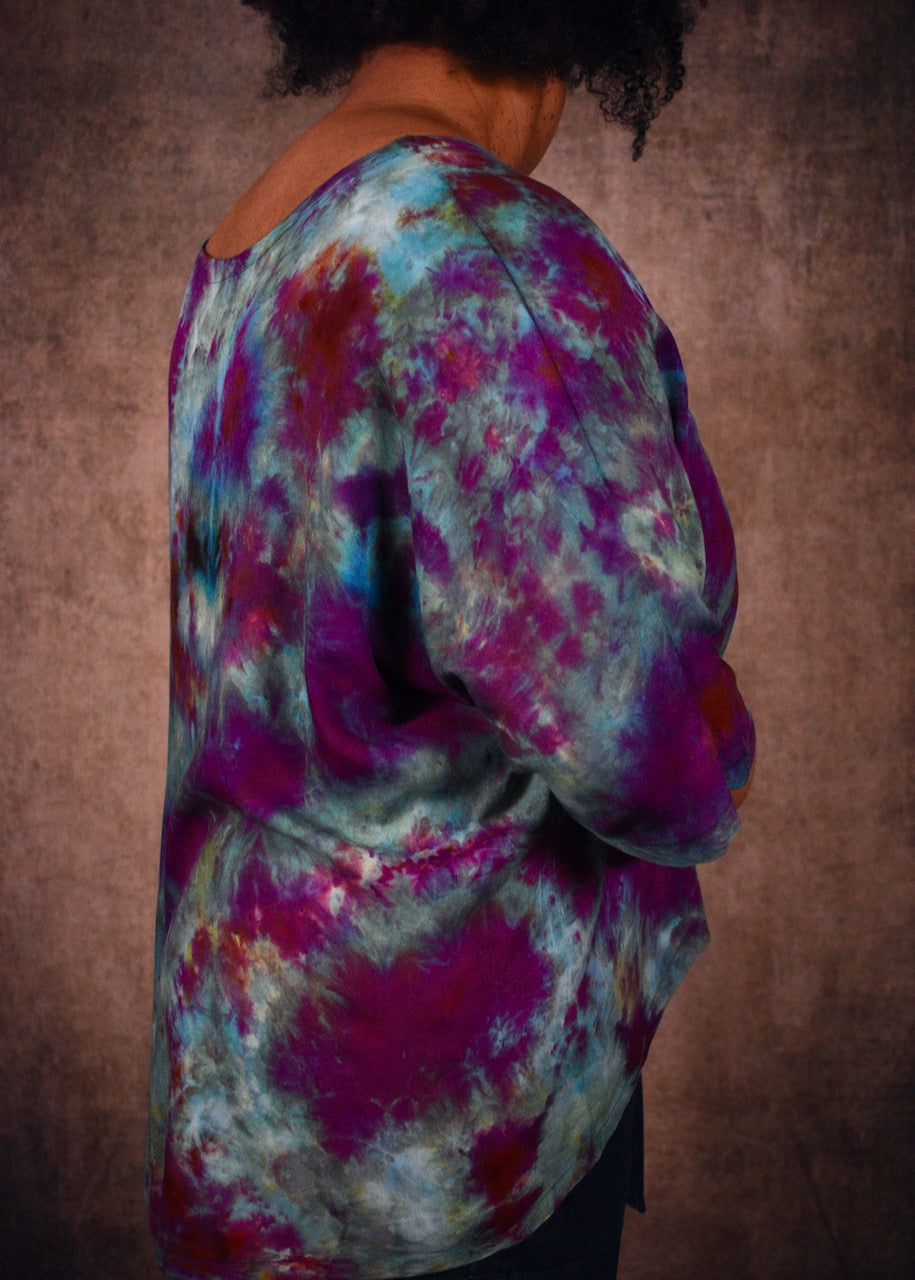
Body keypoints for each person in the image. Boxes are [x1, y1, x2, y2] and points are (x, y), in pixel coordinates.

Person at [146, 3, 755, 1278]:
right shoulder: (475, 245)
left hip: (251, 1106)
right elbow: (645, 741)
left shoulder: (256, 237)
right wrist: (716, 748)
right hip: (442, 1141)